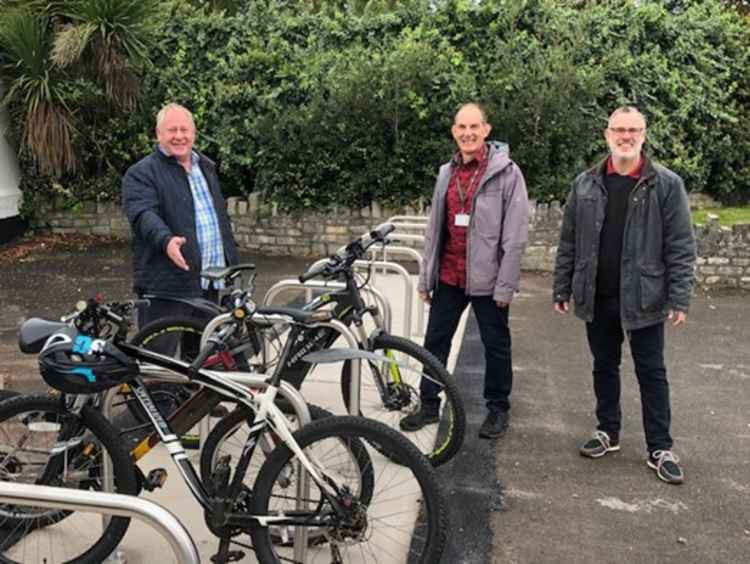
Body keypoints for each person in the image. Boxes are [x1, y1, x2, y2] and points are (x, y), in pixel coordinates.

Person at [552, 106, 696, 485]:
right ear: (607, 135)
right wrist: (562, 286)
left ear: (644, 135)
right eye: (620, 130)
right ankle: (607, 431)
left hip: (645, 296)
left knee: (652, 372)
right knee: (604, 365)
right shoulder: (585, 184)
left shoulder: (666, 185)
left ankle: (660, 448)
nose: (626, 136)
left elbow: (681, 246)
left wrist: (679, 298)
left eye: (634, 130)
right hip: (597, 294)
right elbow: (569, 240)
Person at [401, 102, 529, 439]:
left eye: (475, 127)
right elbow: (434, 229)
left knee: (496, 345)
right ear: (454, 131)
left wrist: (506, 286)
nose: (468, 133)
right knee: (435, 342)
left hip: (488, 279)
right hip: (450, 275)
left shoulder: (508, 173)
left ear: (486, 130)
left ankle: (498, 409)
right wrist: (427, 277)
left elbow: (515, 236)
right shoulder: (447, 172)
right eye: (461, 127)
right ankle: (429, 404)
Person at [122, 103, 239, 328]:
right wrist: (166, 240)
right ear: (158, 134)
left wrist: (230, 251)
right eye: (172, 130)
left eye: (184, 130)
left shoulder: (205, 167)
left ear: (193, 133)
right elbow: (143, 214)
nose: (179, 136)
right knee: (159, 356)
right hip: (168, 285)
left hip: (210, 282)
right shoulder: (141, 173)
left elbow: (217, 215)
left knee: (202, 355)